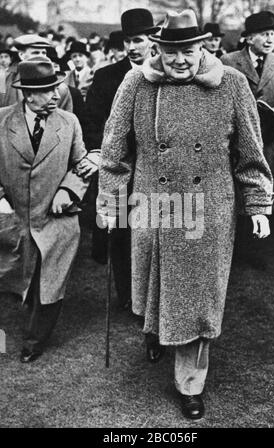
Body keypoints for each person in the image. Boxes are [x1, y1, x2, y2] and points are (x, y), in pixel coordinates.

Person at [96, 10, 274, 420]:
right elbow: (114, 150)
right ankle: (157, 331)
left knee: (197, 300)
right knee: (159, 289)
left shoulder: (232, 84)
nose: (180, 60)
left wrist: (258, 204)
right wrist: (110, 202)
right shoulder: (136, 83)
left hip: (207, 210)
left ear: (204, 47)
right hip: (155, 206)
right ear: (158, 48)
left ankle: (190, 384)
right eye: (171, 51)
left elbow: (250, 154)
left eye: (188, 51)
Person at [0, 57, 99, 363]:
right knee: (20, 280)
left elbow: (82, 164)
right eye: (48, 90)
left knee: (50, 283)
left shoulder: (69, 123)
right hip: (16, 219)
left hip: (58, 220)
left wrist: (69, 190)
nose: (57, 95)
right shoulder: (2, 122)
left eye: (57, 87)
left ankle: (34, 339)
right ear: (28, 94)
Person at [85, 9, 160, 311]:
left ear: (152, 40)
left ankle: (151, 296)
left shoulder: (166, 75)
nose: (132, 47)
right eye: (128, 40)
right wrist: (103, 152)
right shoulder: (106, 77)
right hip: (119, 170)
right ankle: (126, 295)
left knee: (152, 234)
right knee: (120, 235)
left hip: (154, 171)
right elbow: (92, 121)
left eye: (138, 40)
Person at [221, 11, 274, 268]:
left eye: (273, 33)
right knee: (240, 193)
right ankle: (238, 250)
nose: (270, 38)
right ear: (249, 37)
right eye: (264, 34)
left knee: (266, 192)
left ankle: (262, 251)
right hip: (238, 142)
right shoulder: (228, 61)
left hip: (270, 141)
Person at [0, 34, 73, 111]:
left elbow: (66, 119)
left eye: (44, 53)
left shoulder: (61, 88)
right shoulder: (4, 80)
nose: (42, 57)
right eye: (36, 53)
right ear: (21, 55)